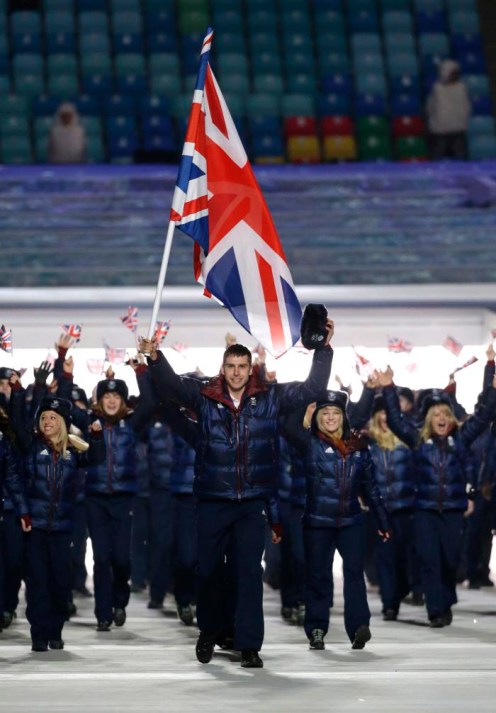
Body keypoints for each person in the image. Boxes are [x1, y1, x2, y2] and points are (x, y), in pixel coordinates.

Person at [139, 315, 333, 669]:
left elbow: (312, 389)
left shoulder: (270, 399)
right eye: (231, 365)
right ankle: (209, 633)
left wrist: (323, 349)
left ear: (250, 368)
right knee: (208, 573)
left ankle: (249, 645)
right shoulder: (204, 397)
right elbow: (170, 386)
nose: (237, 371)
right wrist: (155, 357)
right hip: (213, 501)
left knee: (249, 575)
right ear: (223, 367)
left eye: (243, 365)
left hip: (250, 504)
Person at [378, 367, 496, 627]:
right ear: (429, 419)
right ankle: (436, 610)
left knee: (450, 560)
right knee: (429, 560)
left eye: (445, 414)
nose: (441, 419)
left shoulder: (461, 438)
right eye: (436, 415)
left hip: (453, 510)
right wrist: (388, 388)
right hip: (423, 510)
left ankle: (445, 598)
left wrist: (493, 389)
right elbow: (397, 422)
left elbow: (483, 415)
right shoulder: (418, 440)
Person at [283, 390, 390, 652]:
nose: (330, 418)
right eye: (325, 413)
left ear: (344, 417)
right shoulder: (308, 444)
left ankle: (359, 628)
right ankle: (317, 628)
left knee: (355, 575)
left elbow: (371, 488)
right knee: (318, 576)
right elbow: (286, 425)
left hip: (352, 521)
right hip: (317, 523)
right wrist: (300, 403)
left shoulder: (358, 447)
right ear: (317, 417)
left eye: (335, 413)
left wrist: (382, 520)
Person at [10, 393, 104, 651]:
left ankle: (55, 630)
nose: (48, 421)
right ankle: (39, 633)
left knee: (61, 582)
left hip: (63, 530)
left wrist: (96, 436)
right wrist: (24, 512)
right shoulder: (30, 445)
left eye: (53, 417)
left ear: (62, 422)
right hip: (35, 529)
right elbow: (18, 423)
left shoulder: (73, 452)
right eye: (44, 417)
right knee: (37, 583)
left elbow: (96, 458)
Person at [426, 59, 471, 161]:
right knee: (438, 156)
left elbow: (466, 106)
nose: (455, 76)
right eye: (453, 73)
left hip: (458, 130)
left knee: (459, 157)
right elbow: (431, 107)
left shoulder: (462, 87)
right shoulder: (437, 89)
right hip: (440, 131)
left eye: (456, 73)